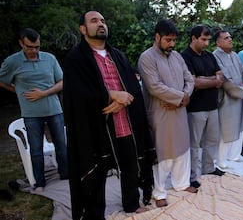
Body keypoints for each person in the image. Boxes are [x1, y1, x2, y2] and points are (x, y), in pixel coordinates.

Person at [63, 11, 156, 219]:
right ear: (83, 29)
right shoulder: (76, 59)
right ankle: (95, 214)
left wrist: (125, 99)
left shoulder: (119, 56)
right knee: (97, 172)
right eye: (94, 21)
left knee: (130, 165)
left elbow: (133, 86)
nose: (101, 24)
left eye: (103, 21)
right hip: (97, 127)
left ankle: (131, 204)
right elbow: (76, 93)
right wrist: (111, 96)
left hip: (125, 123)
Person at [137, 19, 197, 208]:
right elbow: (154, 87)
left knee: (182, 148)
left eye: (174, 40)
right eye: (168, 40)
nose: (171, 44)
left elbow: (190, 78)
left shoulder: (177, 56)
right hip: (160, 113)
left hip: (179, 111)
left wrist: (185, 95)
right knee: (162, 153)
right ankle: (159, 192)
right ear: (157, 37)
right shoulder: (147, 58)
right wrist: (181, 97)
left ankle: (181, 183)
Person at [0, 28, 68, 191]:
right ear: (21, 44)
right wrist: (18, 91)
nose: (34, 50)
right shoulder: (12, 62)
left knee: (61, 145)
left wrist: (44, 93)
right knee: (36, 149)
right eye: (30, 47)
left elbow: (62, 81)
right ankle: (39, 183)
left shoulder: (49, 58)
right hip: (31, 113)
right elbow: (2, 80)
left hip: (54, 109)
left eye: (37, 46)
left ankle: (65, 176)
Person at [181, 25, 225, 189]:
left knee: (212, 140)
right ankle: (192, 176)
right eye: (203, 39)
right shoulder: (185, 56)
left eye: (208, 39)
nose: (207, 43)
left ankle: (209, 168)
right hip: (195, 108)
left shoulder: (209, 56)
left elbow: (221, 75)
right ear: (193, 38)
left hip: (212, 106)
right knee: (193, 144)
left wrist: (205, 79)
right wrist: (213, 80)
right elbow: (193, 82)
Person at [212, 30, 243, 169]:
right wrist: (241, 91)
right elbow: (225, 80)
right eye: (226, 38)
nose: (230, 39)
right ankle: (221, 160)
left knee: (240, 127)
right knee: (226, 130)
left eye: (230, 37)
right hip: (227, 99)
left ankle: (234, 156)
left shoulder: (235, 55)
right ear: (218, 42)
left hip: (240, 97)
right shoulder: (215, 57)